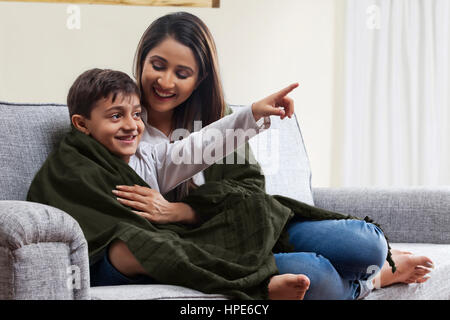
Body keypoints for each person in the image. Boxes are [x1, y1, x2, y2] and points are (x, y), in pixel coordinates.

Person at [111, 11, 434, 300]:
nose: (165, 82)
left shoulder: (216, 120)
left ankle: (373, 267)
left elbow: (250, 191)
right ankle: (371, 282)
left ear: (199, 80)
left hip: (255, 226)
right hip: (213, 248)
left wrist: (183, 210)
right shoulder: (120, 125)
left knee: (368, 246)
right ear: (142, 61)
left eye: (182, 73)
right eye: (157, 66)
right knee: (313, 276)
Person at [27, 67, 313, 300]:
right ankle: (259, 289)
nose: (131, 125)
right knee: (130, 246)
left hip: (158, 241)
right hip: (103, 260)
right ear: (81, 124)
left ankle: (250, 278)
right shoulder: (68, 165)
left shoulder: (150, 156)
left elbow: (198, 147)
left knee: (171, 237)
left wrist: (252, 114)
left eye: (137, 114)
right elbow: (66, 208)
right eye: (116, 116)